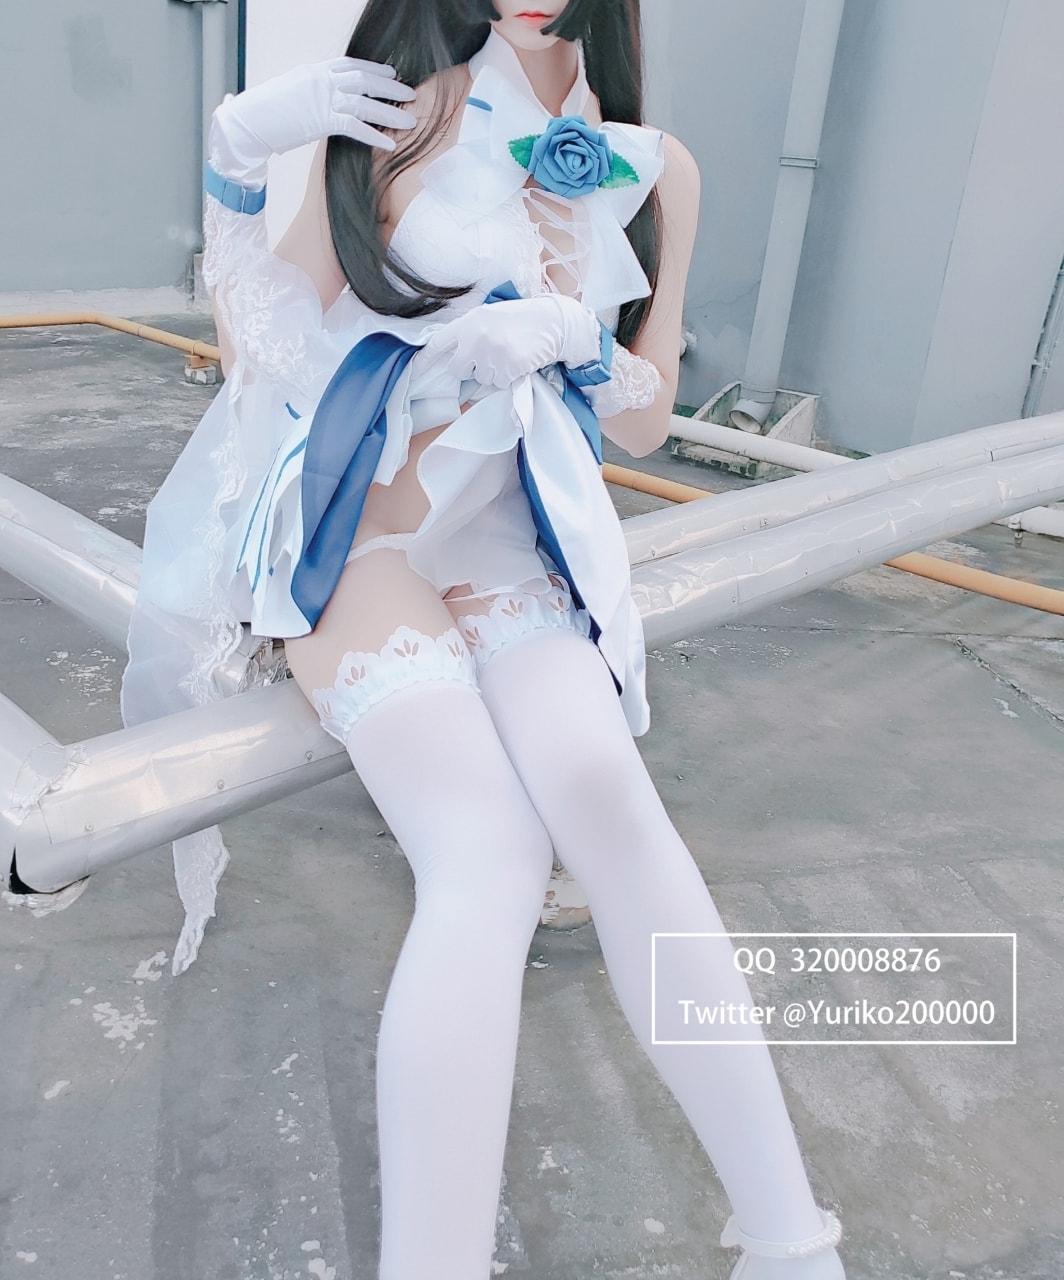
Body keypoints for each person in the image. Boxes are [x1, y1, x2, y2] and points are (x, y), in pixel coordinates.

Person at [120, 1, 848, 1276]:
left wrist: (574, 337)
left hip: (509, 541)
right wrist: (236, 157)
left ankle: (789, 1241)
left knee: (611, 803)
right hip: (359, 538)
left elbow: (642, 422)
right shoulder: (406, 106)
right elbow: (260, 348)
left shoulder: (656, 164)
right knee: (488, 854)